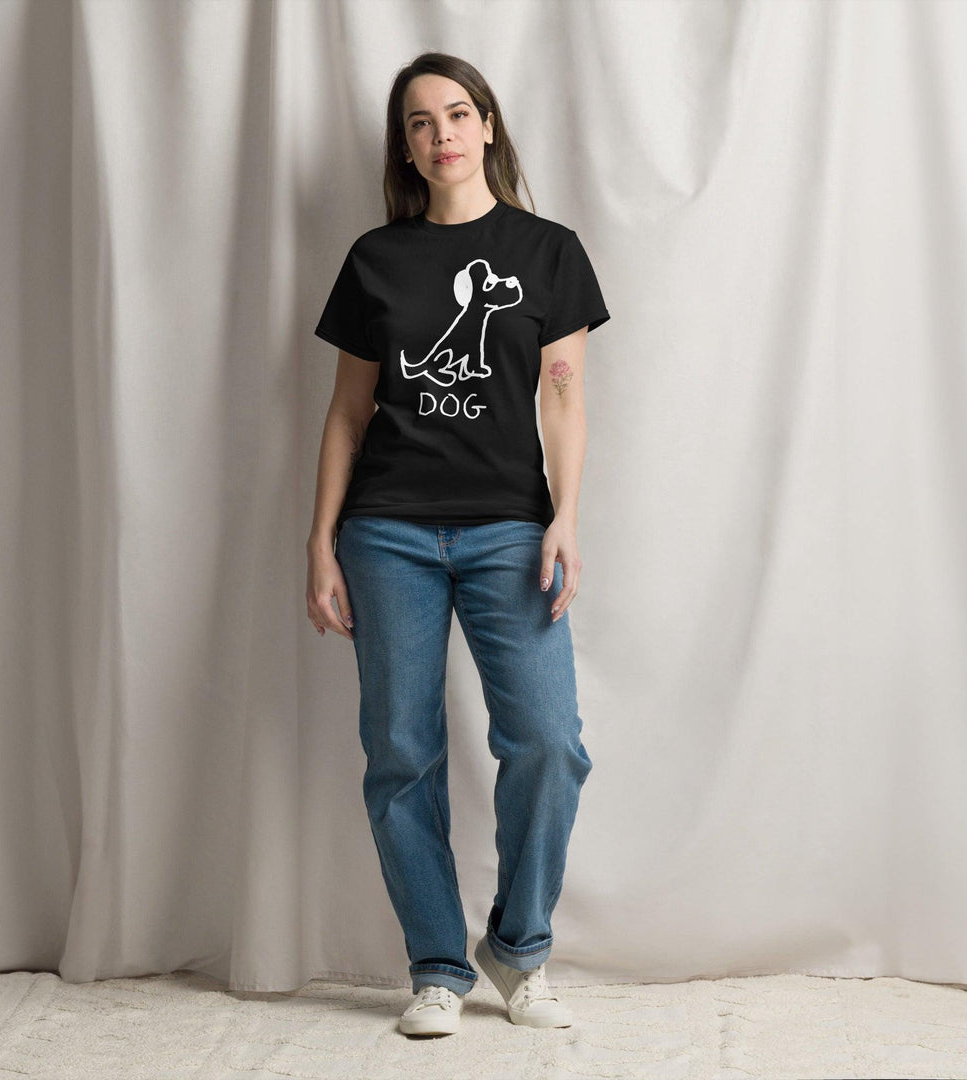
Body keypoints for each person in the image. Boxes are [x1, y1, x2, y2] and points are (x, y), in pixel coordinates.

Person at [305, 51, 610, 1038]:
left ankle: (516, 948)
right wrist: (321, 544)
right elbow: (348, 414)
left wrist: (565, 514)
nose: (442, 135)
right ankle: (437, 963)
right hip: (386, 531)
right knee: (400, 751)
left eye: (458, 114)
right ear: (407, 147)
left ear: (488, 127)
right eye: (421, 123)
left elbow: (562, 395)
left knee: (549, 746)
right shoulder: (376, 261)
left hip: (509, 530)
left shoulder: (548, 252)